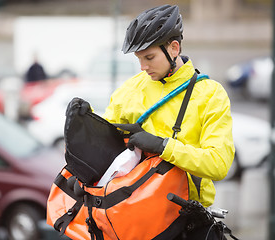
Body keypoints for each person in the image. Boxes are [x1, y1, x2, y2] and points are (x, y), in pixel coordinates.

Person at [67, 4, 235, 239]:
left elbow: (218, 164)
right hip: (133, 220)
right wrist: (85, 128)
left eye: (149, 57)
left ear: (174, 48)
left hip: (185, 223)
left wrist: (163, 146)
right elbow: (105, 149)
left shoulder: (210, 94)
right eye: (139, 59)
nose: (143, 67)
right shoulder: (130, 89)